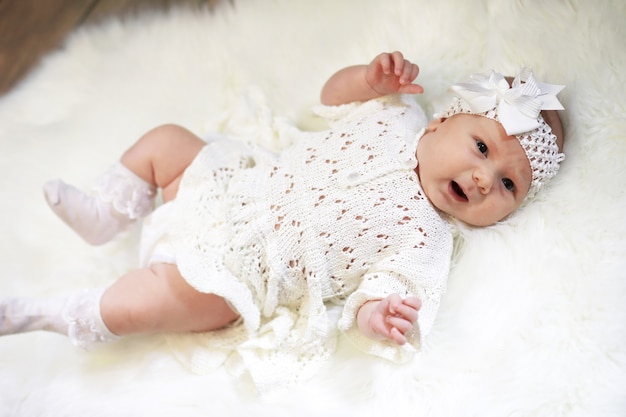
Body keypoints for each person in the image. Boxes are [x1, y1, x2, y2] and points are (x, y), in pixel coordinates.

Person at [0, 51, 565, 391]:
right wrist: (369, 80)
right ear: (443, 120)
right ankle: (105, 214)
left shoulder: (427, 239)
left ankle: (38, 315)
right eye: (483, 147)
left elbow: (373, 297)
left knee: (138, 303)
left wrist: (380, 317)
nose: (486, 178)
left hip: (240, 276)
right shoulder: (396, 114)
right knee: (168, 142)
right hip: (227, 185)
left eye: (509, 186)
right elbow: (331, 98)